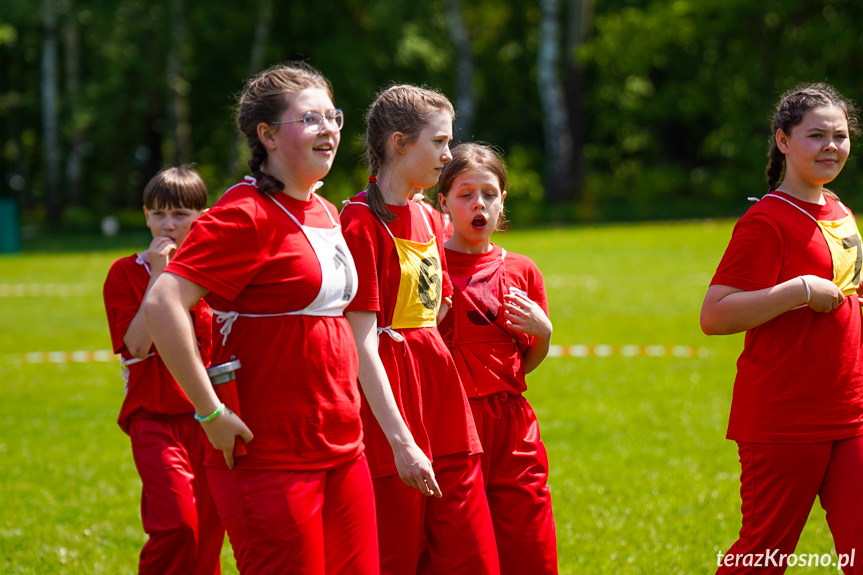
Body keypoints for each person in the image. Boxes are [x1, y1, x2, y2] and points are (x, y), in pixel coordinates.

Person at [142, 62, 378, 574]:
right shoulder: (242, 213)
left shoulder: (327, 211)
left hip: (343, 446)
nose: (330, 129)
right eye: (310, 118)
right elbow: (162, 305)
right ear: (267, 134)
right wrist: (208, 413)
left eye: (333, 116)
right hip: (267, 456)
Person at [701, 83, 863, 575]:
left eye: (840, 136)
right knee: (765, 553)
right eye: (816, 136)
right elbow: (715, 314)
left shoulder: (838, 208)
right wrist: (797, 291)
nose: (831, 147)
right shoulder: (765, 220)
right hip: (785, 416)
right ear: (783, 141)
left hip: (851, 410)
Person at [340, 84, 500, 574]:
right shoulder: (358, 221)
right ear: (399, 143)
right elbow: (361, 341)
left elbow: (435, 312)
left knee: (469, 550)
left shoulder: (432, 218)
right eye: (439, 142)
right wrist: (401, 441)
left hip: (440, 394)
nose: (448, 156)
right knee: (396, 553)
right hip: (388, 404)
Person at [436, 142, 558, 574]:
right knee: (463, 549)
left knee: (529, 541)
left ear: (502, 200)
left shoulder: (522, 269)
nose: (478, 204)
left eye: (488, 193)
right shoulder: (429, 268)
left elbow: (524, 361)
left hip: (512, 427)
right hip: (450, 423)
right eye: (465, 194)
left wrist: (543, 333)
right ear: (443, 202)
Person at [102, 165, 224, 575]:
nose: (167, 225)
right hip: (154, 419)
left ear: (201, 217)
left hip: (210, 419)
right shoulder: (125, 273)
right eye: (158, 214)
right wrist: (159, 278)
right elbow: (137, 345)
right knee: (177, 526)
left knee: (209, 532)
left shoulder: (216, 274)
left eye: (179, 215)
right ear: (145, 215)